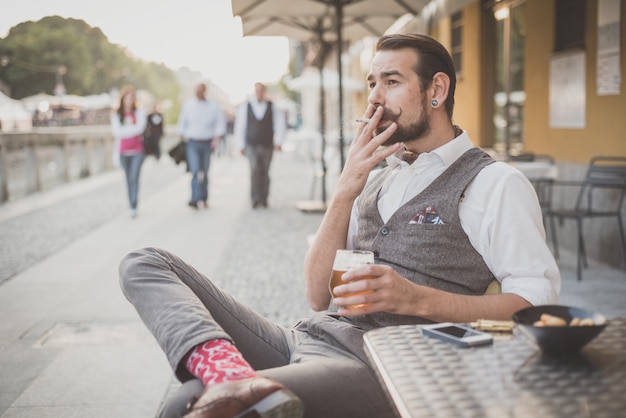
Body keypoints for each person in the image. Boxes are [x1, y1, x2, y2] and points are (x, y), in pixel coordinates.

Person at [119, 34, 560, 418]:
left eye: (391, 82)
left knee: (190, 403)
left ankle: (238, 387)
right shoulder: (379, 175)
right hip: (306, 340)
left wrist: (417, 298)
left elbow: (535, 303)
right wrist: (346, 189)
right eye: (372, 83)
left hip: (385, 364)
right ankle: (231, 374)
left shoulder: (493, 182)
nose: (374, 99)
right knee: (145, 262)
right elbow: (317, 295)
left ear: (436, 90)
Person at [233, 82, 287, 208]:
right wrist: (240, 145)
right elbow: (240, 126)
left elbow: (279, 124)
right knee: (254, 170)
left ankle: (264, 197)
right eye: (257, 90)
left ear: (264, 91)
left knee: (265, 171)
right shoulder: (246, 107)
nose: (259, 93)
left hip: (267, 144)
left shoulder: (272, 106)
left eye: (261, 90)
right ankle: (255, 198)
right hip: (251, 144)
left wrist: (279, 141)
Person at [177, 82, 227, 209]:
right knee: (194, 171)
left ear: (205, 91)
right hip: (192, 142)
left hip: (207, 143)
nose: (199, 92)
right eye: (197, 90)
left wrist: (216, 139)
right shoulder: (188, 105)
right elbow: (182, 123)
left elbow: (220, 124)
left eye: (201, 90)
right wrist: (182, 136)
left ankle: (203, 197)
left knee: (204, 171)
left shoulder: (213, 106)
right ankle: (194, 198)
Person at [111, 85, 147, 218]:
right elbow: (116, 132)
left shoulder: (139, 112)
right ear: (123, 99)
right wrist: (131, 129)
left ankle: (134, 204)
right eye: (127, 98)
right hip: (123, 152)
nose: (129, 101)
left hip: (137, 151)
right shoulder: (117, 114)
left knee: (134, 177)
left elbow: (140, 129)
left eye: (131, 98)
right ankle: (130, 204)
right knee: (127, 179)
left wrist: (125, 131)